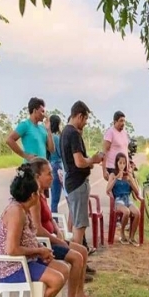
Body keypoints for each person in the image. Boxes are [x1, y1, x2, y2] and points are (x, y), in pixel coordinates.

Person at [0, 164, 68, 297]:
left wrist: (42, 249)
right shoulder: (16, 212)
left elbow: (28, 238)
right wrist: (39, 252)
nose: (40, 195)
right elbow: (11, 249)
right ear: (32, 195)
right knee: (56, 279)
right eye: (38, 192)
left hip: (24, 260)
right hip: (10, 267)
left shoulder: (22, 208)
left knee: (64, 269)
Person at [29, 158, 98, 297]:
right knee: (76, 257)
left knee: (82, 251)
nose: (52, 177)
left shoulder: (42, 194)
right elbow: (37, 229)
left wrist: (58, 232)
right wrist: (57, 240)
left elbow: (49, 218)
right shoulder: (34, 198)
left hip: (52, 238)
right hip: (44, 243)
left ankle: (79, 295)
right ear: (37, 176)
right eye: (48, 174)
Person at [59, 101, 104, 250]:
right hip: (77, 184)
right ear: (79, 116)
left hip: (72, 183)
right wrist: (94, 160)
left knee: (76, 224)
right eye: (85, 120)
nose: (85, 124)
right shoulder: (73, 133)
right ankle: (78, 263)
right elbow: (79, 162)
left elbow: (76, 160)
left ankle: (78, 262)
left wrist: (89, 162)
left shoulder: (65, 132)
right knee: (79, 226)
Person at [106, 152, 141, 246]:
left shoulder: (128, 175)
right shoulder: (113, 174)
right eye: (120, 163)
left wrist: (130, 180)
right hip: (118, 200)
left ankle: (132, 237)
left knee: (137, 213)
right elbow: (107, 190)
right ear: (116, 163)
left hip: (127, 199)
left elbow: (137, 192)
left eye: (124, 163)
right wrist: (116, 178)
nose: (122, 165)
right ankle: (122, 233)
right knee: (127, 212)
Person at [6, 97, 54, 162]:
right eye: (42, 111)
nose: (44, 114)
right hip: (30, 168)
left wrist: (49, 130)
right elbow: (9, 140)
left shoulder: (43, 128)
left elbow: (52, 149)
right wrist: (25, 155)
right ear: (35, 111)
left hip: (42, 168)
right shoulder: (25, 125)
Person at [102, 111, 130, 181]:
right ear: (115, 121)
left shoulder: (125, 133)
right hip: (113, 167)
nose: (123, 123)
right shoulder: (110, 132)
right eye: (121, 121)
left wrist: (128, 165)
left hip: (123, 167)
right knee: (115, 190)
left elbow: (125, 150)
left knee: (124, 189)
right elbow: (104, 152)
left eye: (124, 121)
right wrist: (104, 170)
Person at [48, 115, 63, 213]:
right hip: (57, 166)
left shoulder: (47, 137)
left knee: (53, 198)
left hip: (50, 165)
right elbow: (61, 153)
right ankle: (55, 221)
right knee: (56, 198)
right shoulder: (57, 138)